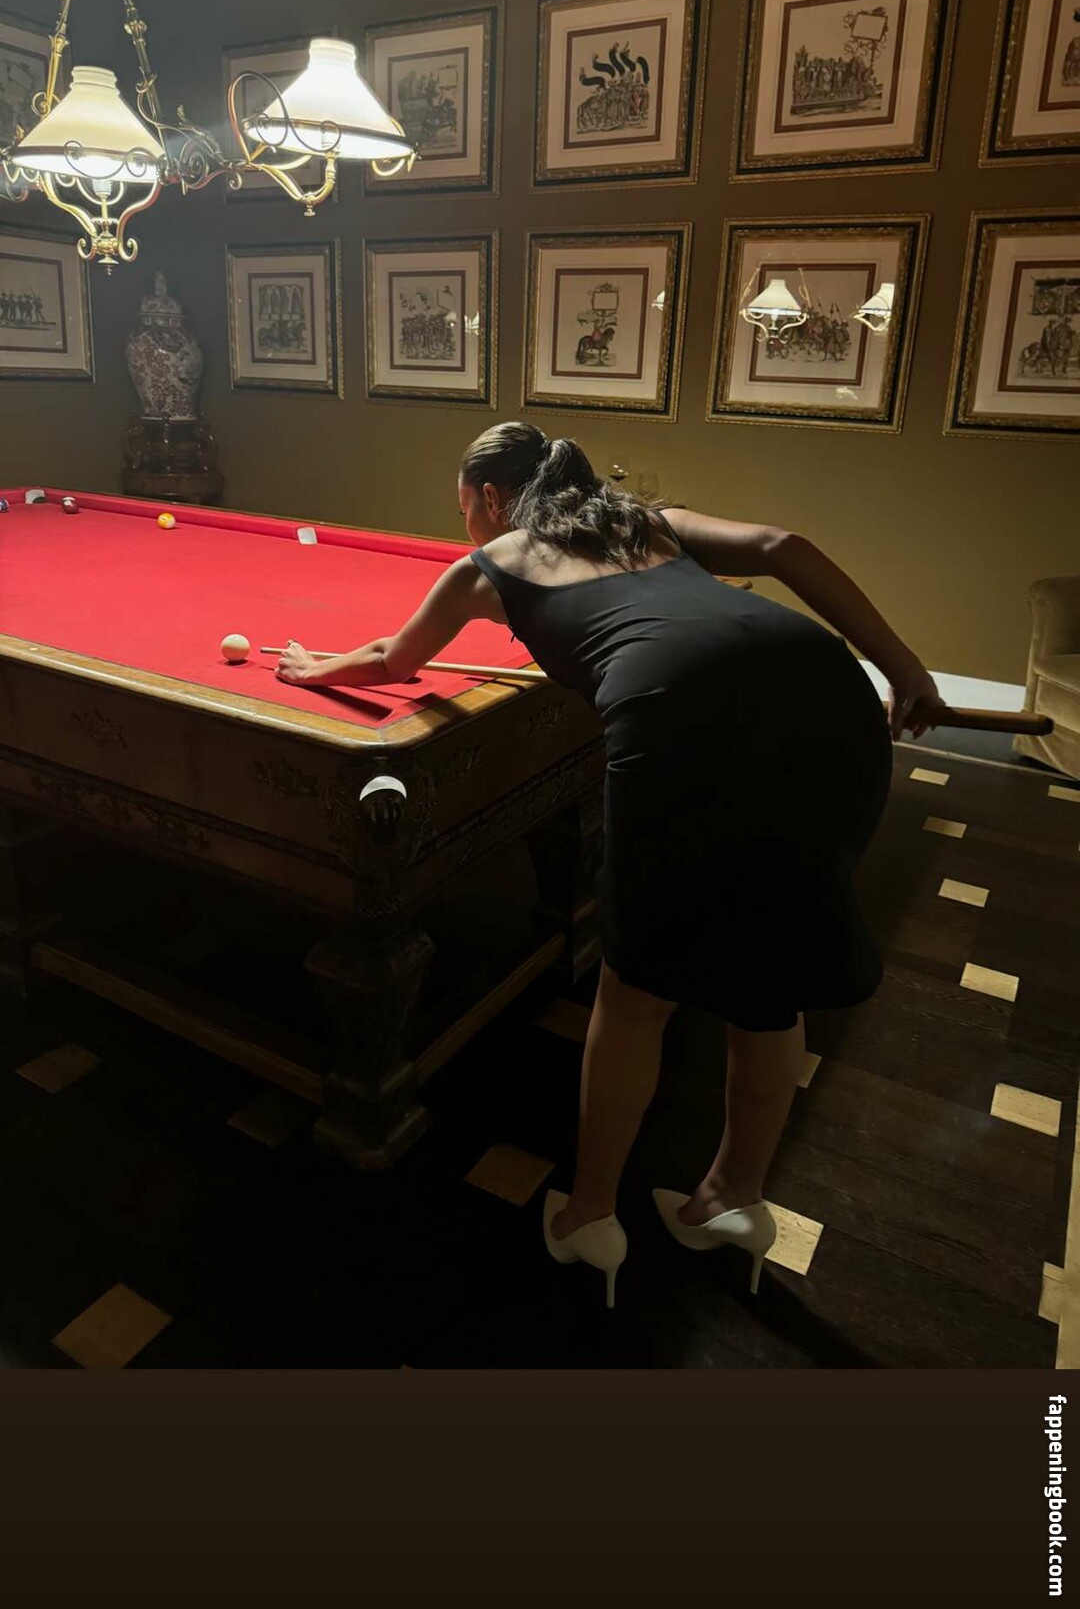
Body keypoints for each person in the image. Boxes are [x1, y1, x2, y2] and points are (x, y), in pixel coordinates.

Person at [276, 423, 942, 1310]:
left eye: (464, 504)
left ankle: (590, 1216)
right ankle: (732, 1201)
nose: (465, 519)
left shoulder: (490, 563)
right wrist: (905, 668)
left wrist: (309, 668)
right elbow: (783, 546)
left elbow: (391, 661)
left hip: (679, 710)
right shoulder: (642, 518)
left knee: (635, 995)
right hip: (829, 694)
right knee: (771, 978)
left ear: (489, 498)